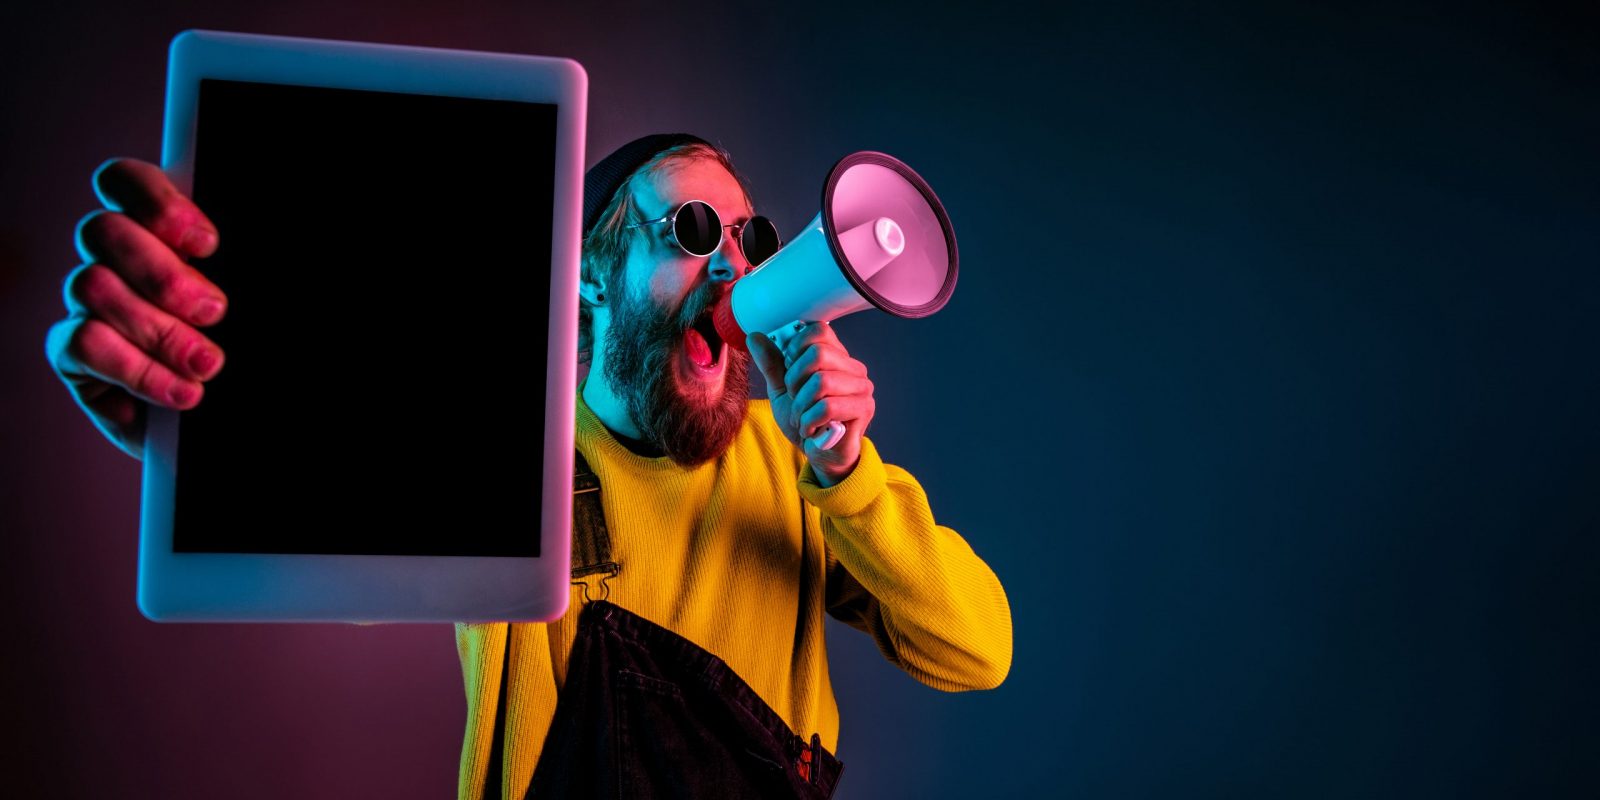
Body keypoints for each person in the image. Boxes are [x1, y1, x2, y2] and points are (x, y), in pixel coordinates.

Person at [45, 133, 1013, 800]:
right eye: (687, 233)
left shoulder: (806, 471)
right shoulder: (515, 453)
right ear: (591, 276)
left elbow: (978, 648)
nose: (732, 268)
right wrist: (208, 436)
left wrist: (847, 470)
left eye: (749, 239)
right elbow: (341, 540)